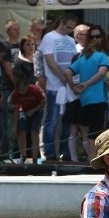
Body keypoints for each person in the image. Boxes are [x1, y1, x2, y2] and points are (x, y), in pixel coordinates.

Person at [65, 24, 109, 163]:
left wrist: (73, 87)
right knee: (97, 132)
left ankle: (92, 159)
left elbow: (67, 72)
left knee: (90, 132)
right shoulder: (102, 56)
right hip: (99, 99)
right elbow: (102, 73)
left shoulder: (83, 58)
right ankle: (95, 160)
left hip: (85, 100)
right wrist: (87, 84)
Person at [39, 13, 77, 160]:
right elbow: (50, 61)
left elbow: (74, 61)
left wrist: (72, 80)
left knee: (68, 121)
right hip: (54, 86)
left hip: (69, 87)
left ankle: (65, 152)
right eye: (68, 27)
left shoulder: (71, 40)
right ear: (61, 23)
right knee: (52, 121)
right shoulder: (49, 37)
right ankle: (49, 153)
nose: (69, 30)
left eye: (72, 28)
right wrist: (64, 77)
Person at [9, 71, 45, 163]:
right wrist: (15, 126)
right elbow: (16, 110)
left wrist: (33, 111)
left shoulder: (34, 90)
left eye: (23, 90)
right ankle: (23, 155)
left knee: (34, 131)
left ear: (27, 85)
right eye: (19, 90)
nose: (21, 92)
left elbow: (42, 102)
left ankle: (35, 157)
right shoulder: (16, 95)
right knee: (21, 131)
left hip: (37, 110)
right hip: (24, 111)